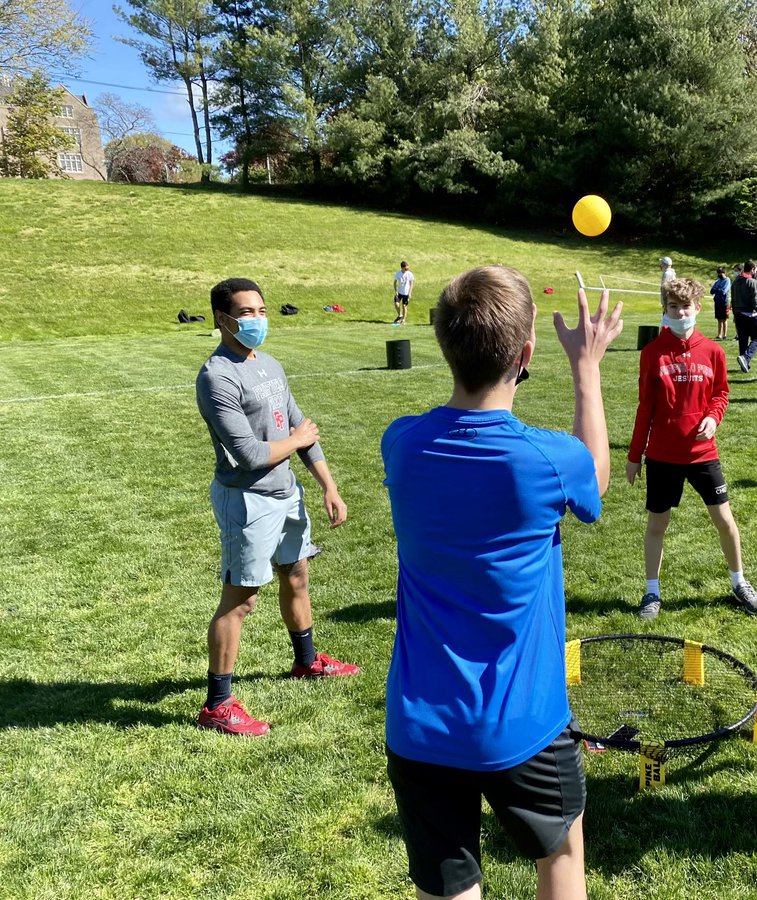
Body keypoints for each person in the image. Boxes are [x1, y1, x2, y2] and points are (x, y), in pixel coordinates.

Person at [381, 266, 624, 899]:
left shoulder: (401, 443)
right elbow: (595, 481)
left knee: (449, 886)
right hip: (524, 723)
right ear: (524, 354)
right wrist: (587, 370)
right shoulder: (548, 459)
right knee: (562, 856)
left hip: (419, 725)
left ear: (441, 343)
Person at [195, 278, 357, 737]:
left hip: (286, 493)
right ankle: (217, 704)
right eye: (247, 313)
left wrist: (328, 485)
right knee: (241, 599)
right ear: (222, 319)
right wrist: (300, 439)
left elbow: (299, 426)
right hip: (246, 499)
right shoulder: (217, 376)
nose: (258, 320)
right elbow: (248, 453)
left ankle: (306, 662)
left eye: (262, 310)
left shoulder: (269, 365)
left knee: (298, 574)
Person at [627, 277, 757, 620]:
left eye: (685, 307)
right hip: (662, 455)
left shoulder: (713, 351)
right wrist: (634, 456)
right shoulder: (652, 353)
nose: (679, 313)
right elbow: (645, 407)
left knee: (724, 519)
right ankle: (651, 592)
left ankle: (739, 582)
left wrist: (713, 419)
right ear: (666, 310)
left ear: (698, 309)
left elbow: (721, 393)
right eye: (673, 307)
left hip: (703, 453)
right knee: (657, 524)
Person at [731, 259, 757, 373]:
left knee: (743, 339)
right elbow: (756, 301)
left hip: (739, 314)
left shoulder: (735, 281)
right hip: (750, 314)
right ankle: (746, 358)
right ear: (752, 269)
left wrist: (735, 314)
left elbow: (733, 300)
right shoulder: (751, 282)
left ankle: (744, 364)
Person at [710, 266, 731, 341]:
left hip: (724, 302)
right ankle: (719, 335)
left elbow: (724, 291)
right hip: (717, 302)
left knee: (724, 319)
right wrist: (717, 289)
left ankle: (724, 335)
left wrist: (717, 289)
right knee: (719, 319)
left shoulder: (727, 280)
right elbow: (711, 291)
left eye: (720, 272)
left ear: (724, 272)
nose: (719, 274)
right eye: (718, 272)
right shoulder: (717, 281)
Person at [393, 261, 414, 325]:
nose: (407, 270)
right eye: (405, 269)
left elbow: (411, 283)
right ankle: (400, 315)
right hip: (399, 292)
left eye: (407, 268)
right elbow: (394, 283)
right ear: (402, 268)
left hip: (406, 293)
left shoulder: (410, 274)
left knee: (404, 306)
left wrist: (410, 293)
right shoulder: (398, 273)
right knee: (396, 304)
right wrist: (396, 291)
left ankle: (403, 319)